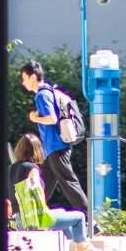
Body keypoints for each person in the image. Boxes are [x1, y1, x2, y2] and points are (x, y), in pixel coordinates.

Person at [18, 62, 92, 217]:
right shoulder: (48, 92)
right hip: (52, 148)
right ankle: (30, 214)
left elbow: (52, 119)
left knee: (68, 181)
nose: (23, 82)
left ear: (33, 77)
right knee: (44, 183)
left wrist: (34, 118)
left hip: (57, 146)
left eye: (24, 78)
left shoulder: (42, 94)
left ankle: (91, 221)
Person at [9, 135, 89, 245]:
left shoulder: (11, 169)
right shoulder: (32, 168)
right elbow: (35, 186)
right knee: (80, 217)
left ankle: (70, 247)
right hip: (34, 219)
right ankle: (82, 250)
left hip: (18, 220)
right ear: (37, 150)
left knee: (62, 213)